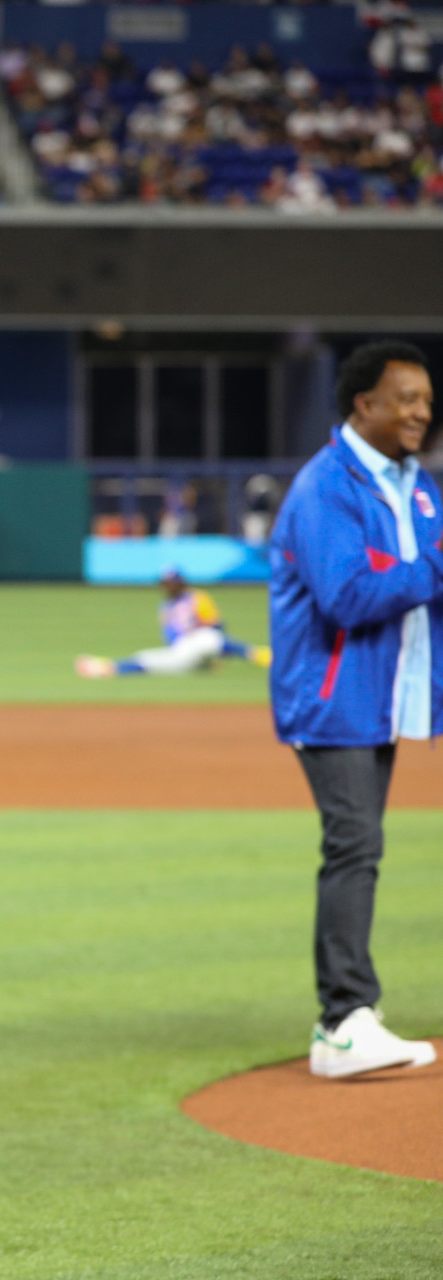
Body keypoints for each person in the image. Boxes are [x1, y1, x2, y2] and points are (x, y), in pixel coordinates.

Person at [269, 340, 443, 1078]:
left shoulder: (417, 485)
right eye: (406, 399)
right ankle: (343, 1020)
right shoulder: (326, 487)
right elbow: (345, 596)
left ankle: (346, 1020)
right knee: (354, 845)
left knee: (358, 845)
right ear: (363, 403)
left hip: (384, 695)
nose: (421, 411)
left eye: (426, 400)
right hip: (332, 696)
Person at [76, 568, 271, 678]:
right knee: (147, 658)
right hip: (184, 651)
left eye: (172, 582)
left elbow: (216, 627)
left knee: (208, 637)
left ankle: (258, 655)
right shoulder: (165, 607)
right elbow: (171, 637)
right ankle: (107, 667)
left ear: (180, 582)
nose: (168, 587)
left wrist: (217, 656)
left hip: (204, 645)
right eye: (166, 583)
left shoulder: (196, 597)